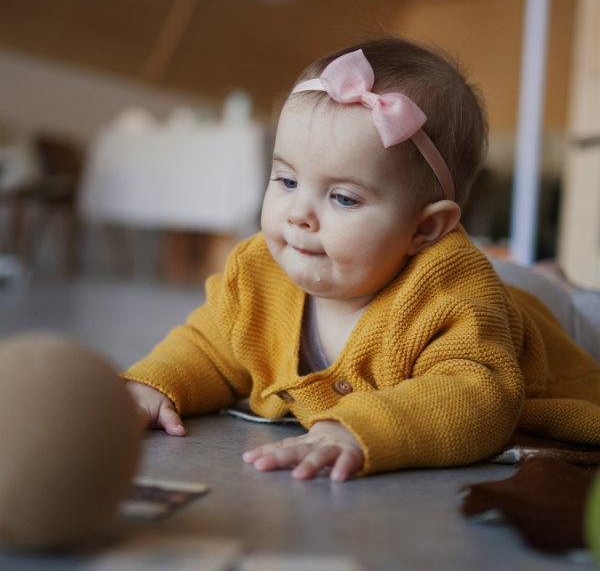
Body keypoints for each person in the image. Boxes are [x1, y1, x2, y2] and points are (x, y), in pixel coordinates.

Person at [124, 36, 600, 481]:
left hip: (542, 317)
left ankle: (563, 286)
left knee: (586, 312)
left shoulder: (452, 298)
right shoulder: (258, 275)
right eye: (287, 182)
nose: (299, 216)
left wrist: (362, 427)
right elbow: (208, 345)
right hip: (504, 279)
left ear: (425, 228)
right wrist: (156, 385)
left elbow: (478, 397)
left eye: (344, 198)